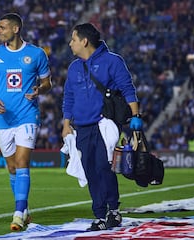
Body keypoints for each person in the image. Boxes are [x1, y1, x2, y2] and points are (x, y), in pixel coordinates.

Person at [61, 23, 143, 231]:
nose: (70, 43)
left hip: (104, 124)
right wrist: (66, 124)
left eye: (73, 39)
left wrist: (136, 117)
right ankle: (99, 214)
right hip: (82, 127)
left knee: (103, 167)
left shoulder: (112, 61)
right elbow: (68, 97)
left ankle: (113, 210)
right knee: (90, 170)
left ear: (84, 41)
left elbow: (127, 88)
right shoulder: (74, 67)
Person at [0, 13, 52, 231]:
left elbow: (47, 83)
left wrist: (40, 90)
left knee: (22, 162)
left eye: (2, 27)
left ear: (15, 29)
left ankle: (18, 213)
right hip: (3, 118)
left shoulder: (37, 54)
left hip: (27, 116)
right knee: (12, 167)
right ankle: (24, 208)